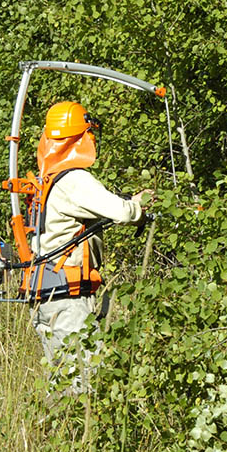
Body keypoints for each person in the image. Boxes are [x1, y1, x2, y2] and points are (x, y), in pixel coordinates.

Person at [29, 100, 151, 383]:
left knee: (61, 383)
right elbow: (121, 212)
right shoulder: (74, 180)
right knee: (85, 384)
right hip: (68, 299)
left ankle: (56, 428)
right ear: (83, 137)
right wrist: (139, 204)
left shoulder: (48, 179)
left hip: (48, 296)